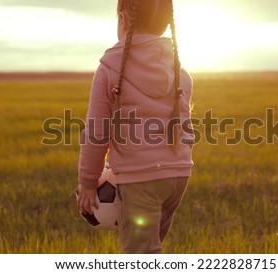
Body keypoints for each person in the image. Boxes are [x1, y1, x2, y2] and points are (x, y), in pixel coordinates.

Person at [77, 0, 194, 254]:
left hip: (142, 180)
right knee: (151, 248)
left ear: (122, 20)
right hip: (178, 176)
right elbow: (185, 126)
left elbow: (97, 132)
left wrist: (88, 182)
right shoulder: (178, 69)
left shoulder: (109, 69)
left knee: (140, 255)